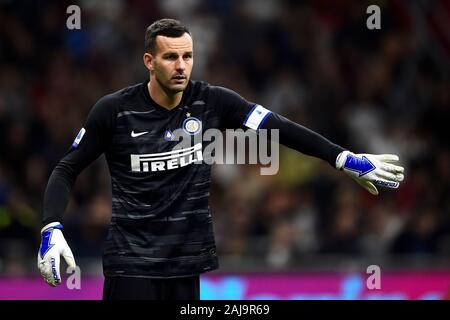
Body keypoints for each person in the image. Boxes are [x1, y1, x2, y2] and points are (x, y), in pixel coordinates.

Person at [37, 19, 404, 300]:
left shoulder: (213, 101)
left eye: (187, 56)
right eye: (170, 57)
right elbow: (66, 168)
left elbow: (280, 126)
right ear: (149, 61)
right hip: (132, 268)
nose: (181, 65)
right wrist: (51, 228)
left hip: (186, 267)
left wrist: (342, 158)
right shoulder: (114, 111)